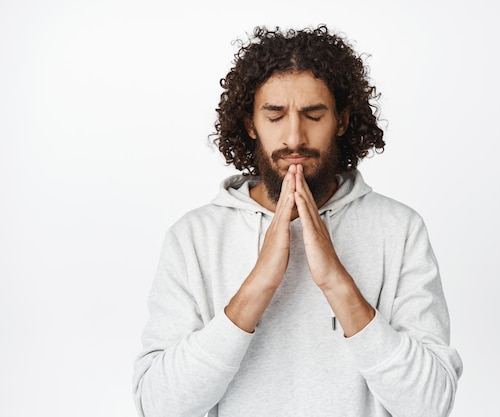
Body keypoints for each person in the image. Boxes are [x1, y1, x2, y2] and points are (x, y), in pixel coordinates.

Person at [133, 25, 463, 417]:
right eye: (275, 116)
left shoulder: (399, 230)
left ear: (340, 120)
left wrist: (336, 281)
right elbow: (158, 406)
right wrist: (260, 283)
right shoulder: (193, 238)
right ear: (251, 123)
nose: (294, 137)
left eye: (313, 115)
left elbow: (430, 405)